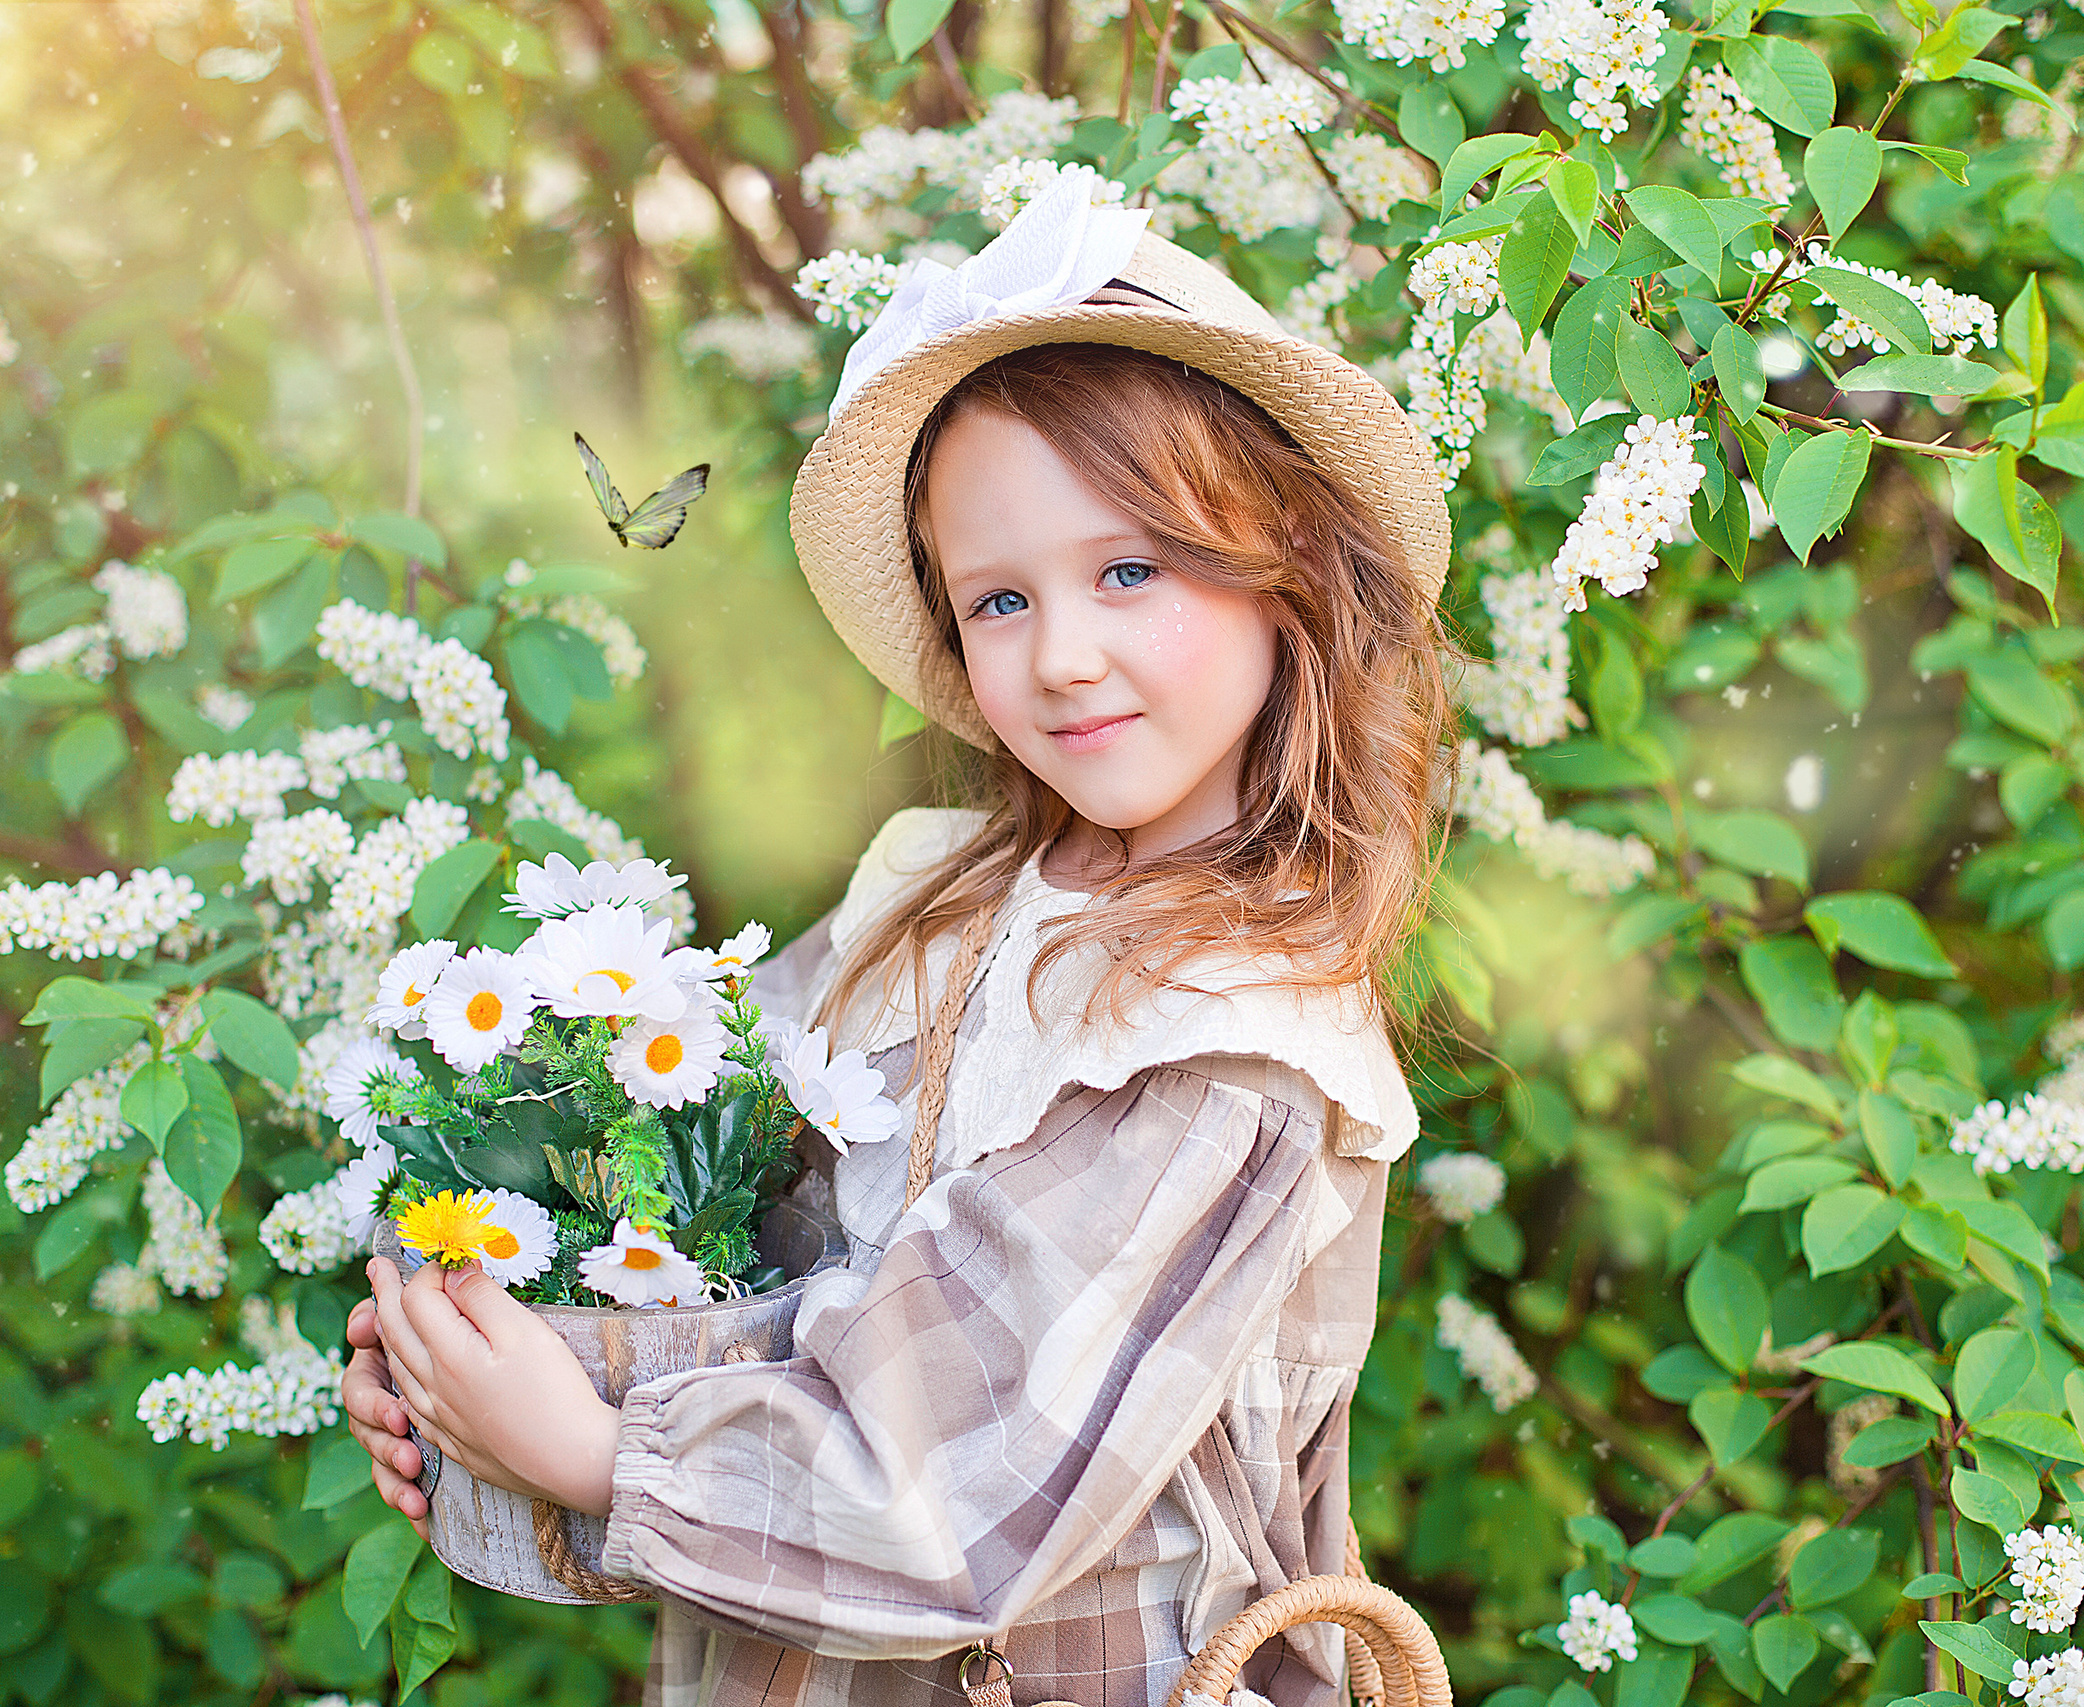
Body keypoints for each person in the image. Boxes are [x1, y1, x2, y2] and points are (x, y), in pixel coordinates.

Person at [339, 175, 1458, 1707]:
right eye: (998, 600)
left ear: (1292, 575)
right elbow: (730, 1222)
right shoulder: (938, 897)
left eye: (1131, 569)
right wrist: (486, 1360)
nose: (1063, 655)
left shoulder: (1230, 1037)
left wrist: (597, 1446)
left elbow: (948, 1496)